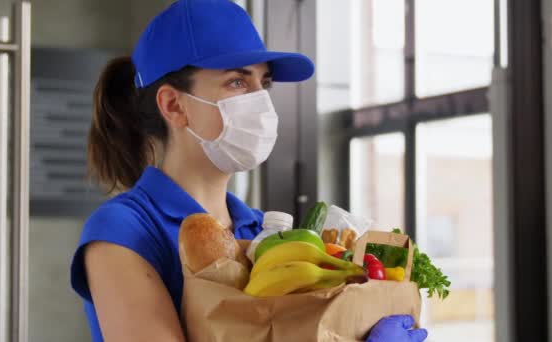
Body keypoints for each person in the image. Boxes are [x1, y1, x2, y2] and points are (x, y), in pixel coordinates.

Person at [70, 1, 428, 341]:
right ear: (174, 105)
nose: (261, 102)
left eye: (264, 83)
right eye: (238, 82)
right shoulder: (123, 230)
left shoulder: (261, 230)